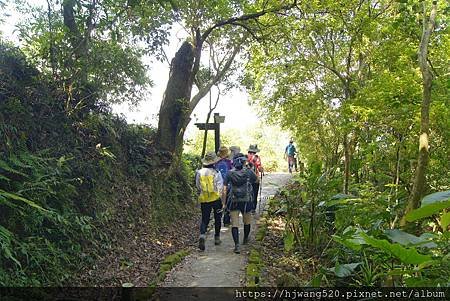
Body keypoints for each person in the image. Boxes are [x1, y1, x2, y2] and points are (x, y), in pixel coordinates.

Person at [223, 153, 257, 254]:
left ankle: (237, 245)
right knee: (247, 221)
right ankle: (245, 238)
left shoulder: (229, 173)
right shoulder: (249, 172)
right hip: (246, 200)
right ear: (243, 162)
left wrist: (224, 203)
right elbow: (256, 180)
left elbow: (224, 189)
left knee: (235, 223)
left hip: (234, 200)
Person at [195, 151, 225, 251]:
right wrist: (221, 198)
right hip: (216, 199)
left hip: (204, 198)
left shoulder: (199, 172)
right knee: (217, 218)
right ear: (214, 162)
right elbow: (220, 187)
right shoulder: (216, 172)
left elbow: (198, 186)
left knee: (205, 218)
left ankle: (202, 235)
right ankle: (217, 237)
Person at [215, 146, 233, 227]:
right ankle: (226, 221)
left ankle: (218, 219)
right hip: (228, 185)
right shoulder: (229, 162)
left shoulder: (215, 163)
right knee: (227, 203)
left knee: (219, 203)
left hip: (217, 186)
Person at [247, 144, 263, 213]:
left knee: (248, 193)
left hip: (246, 179)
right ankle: (253, 208)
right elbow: (259, 168)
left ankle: (247, 207)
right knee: (255, 193)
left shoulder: (245, 157)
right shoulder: (256, 158)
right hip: (255, 179)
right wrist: (261, 169)